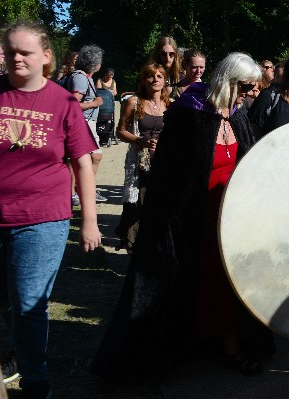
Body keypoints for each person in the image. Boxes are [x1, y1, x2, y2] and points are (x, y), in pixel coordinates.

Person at [92, 53, 271, 379]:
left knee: (231, 283)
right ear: (229, 81)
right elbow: (169, 175)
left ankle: (232, 346)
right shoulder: (190, 113)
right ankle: (195, 347)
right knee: (196, 282)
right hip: (192, 219)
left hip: (230, 218)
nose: (248, 93)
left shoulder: (238, 114)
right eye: (244, 87)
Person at [0, 20, 101, 399]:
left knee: (28, 301)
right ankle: (22, 350)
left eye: (27, 52)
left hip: (43, 219)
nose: (17, 58)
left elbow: (83, 164)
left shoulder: (63, 102)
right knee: (1, 298)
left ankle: (36, 382)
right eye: (12, 51)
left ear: (46, 57)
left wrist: (89, 221)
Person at [114, 63, 170, 251]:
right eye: (151, 76)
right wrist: (139, 140)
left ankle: (152, 245)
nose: (155, 80)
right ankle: (133, 244)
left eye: (159, 76)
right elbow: (120, 131)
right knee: (137, 203)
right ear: (144, 80)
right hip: (139, 162)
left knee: (158, 204)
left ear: (164, 80)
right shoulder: (134, 102)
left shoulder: (168, 104)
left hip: (161, 162)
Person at [68, 45, 106, 200]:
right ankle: (73, 193)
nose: (101, 64)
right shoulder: (81, 78)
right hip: (82, 123)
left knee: (95, 156)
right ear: (95, 63)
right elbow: (71, 104)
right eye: (100, 61)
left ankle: (83, 188)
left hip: (87, 123)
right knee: (77, 159)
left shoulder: (85, 77)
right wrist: (94, 103)